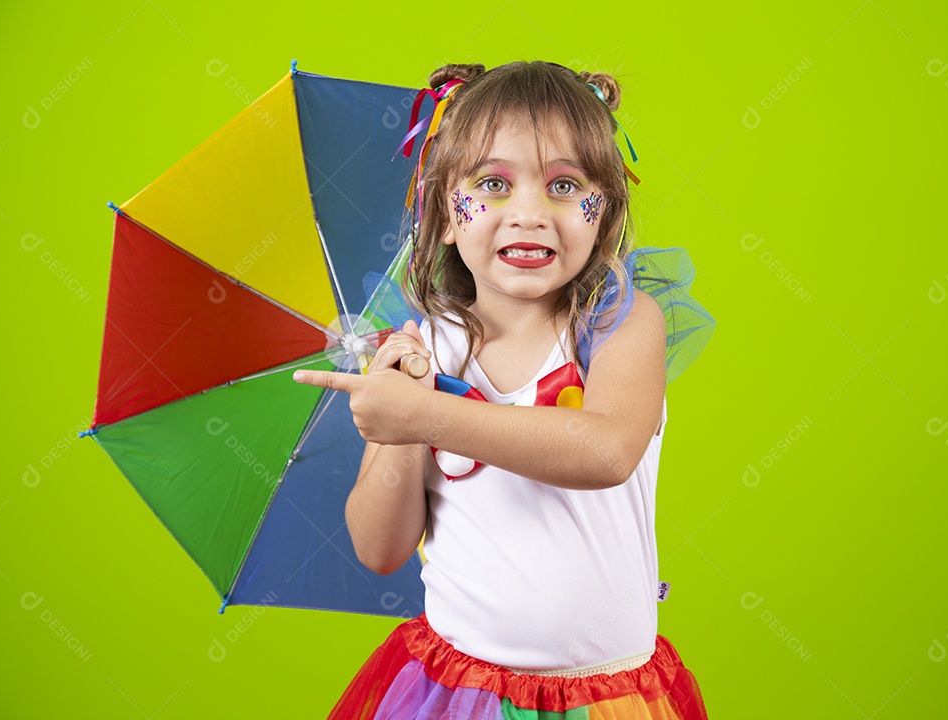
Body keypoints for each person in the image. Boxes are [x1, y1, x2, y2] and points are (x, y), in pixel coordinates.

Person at [293, 60, 711, 719]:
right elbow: (379, 548)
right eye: (492, 183)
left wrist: (426, 415)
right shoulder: (427, 348)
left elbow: (604, 453)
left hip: (606, 695)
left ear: (603, 215)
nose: (529, 213)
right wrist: (398, 425)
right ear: (447, 214)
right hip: (457, 693)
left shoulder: (618, 323)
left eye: (565, 185)